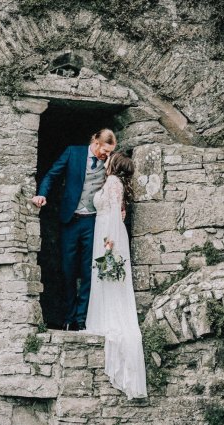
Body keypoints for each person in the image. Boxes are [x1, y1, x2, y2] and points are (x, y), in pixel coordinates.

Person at [32, 129, 117, 330]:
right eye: (105, 150)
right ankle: (68, 318)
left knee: (90, 269)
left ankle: (82, 318)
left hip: (93, 221)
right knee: (67, 269)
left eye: (110, 151)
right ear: (95, 142)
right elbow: (52, 174)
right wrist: (41, 194)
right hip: (70, 220)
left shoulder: (109, 162)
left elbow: (117, 184)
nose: (107, 155)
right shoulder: (73, 152)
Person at [86, 152, 147, 400]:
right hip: (109, 232)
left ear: (115, 165)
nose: (106, 160)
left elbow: (111, 215)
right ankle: (105, 316)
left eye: (110, 159)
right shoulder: (118, 184)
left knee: (106, 275)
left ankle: (104, 319)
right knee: (107, 279)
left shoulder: (112, 182)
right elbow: (117, 211)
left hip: (107, 235)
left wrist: (109, 247)